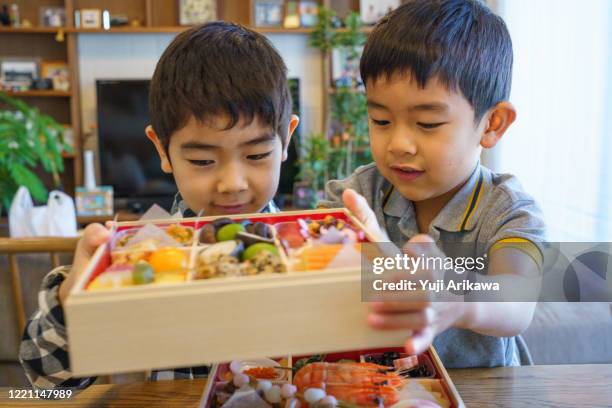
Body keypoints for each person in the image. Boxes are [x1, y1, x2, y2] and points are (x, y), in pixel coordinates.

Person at [19, 21, 299, 389]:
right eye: (202, 161)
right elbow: (46, 386)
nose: (232, 184)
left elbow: (389, 318)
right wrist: (73, 303)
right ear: (161, 150)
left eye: (258, 154)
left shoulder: (314, 243)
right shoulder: (139, 255)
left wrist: (391, 272)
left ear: (287, 139)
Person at [319, 0, 546, 368]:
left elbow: (516, 301)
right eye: (380, 120)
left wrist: (455, 299)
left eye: (427, 124)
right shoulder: (356, 195)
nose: (398, 145)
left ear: (492, 124)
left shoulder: (508, 210)